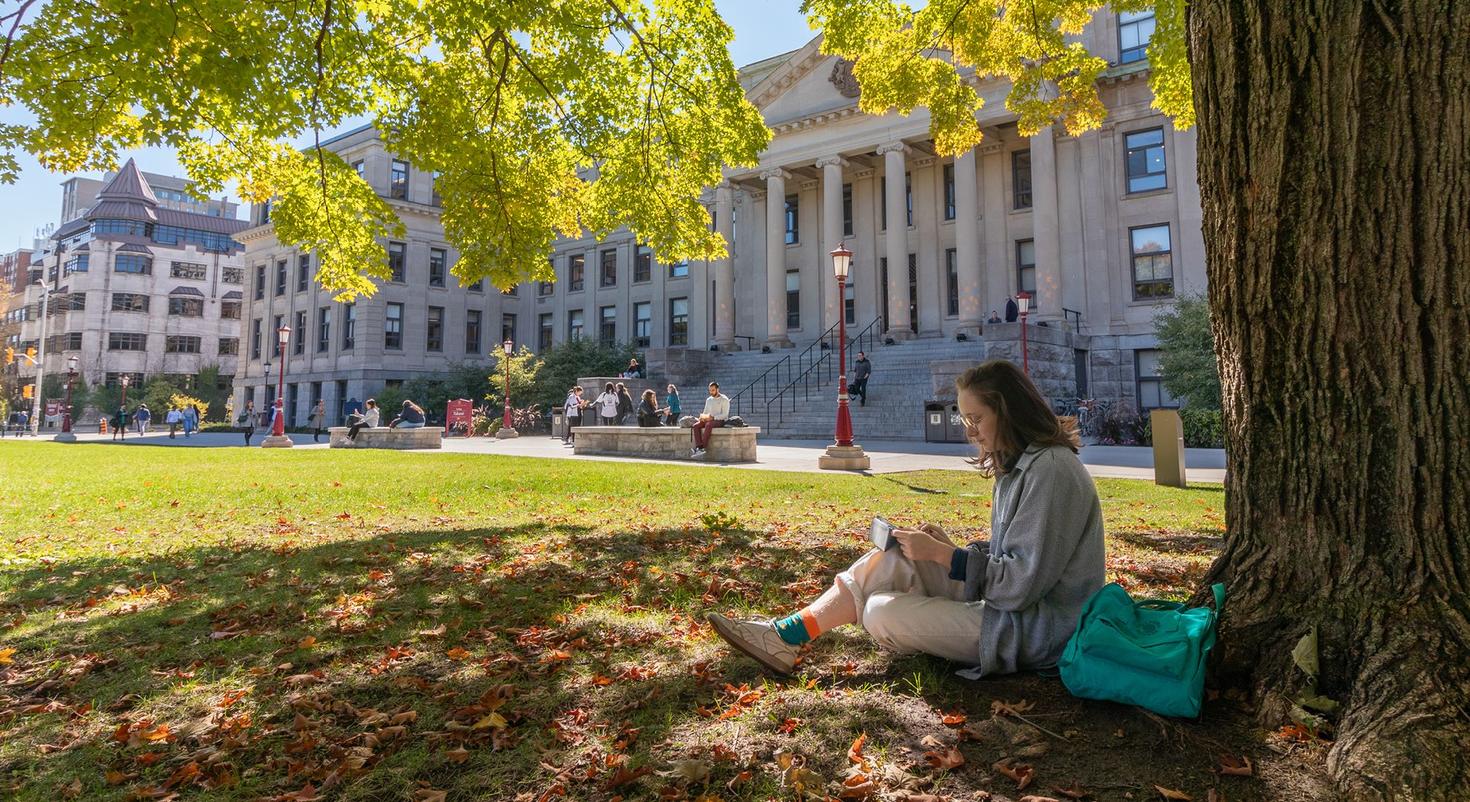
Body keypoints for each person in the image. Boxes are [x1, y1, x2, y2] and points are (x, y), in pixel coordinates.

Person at [707, 359, 1105, 678]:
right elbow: (1013, 557)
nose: (970, 432)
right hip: (1009, 608)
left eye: (977, 419)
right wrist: (951, 551)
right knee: (894, 559)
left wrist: (949, 559)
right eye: (964, 419)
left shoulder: (1051, 470)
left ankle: (795, 633)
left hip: (1036, 630)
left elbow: (1021, 586)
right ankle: (785, 634)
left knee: (881, 611)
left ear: (1009, 412)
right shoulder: (1016, 465)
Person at [689, 381, 729, 458]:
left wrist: (713, 417)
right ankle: (699, 447)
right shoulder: (709, 400)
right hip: (708, 419)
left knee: (708, 424)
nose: (711, 392)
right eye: (710, 390)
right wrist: (702, 418)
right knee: (696, 426)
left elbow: (725, 415)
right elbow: (705, 412)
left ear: (718, 389)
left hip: (720, 420)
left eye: (713, 390)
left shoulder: (724, 399)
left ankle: (702, 448)